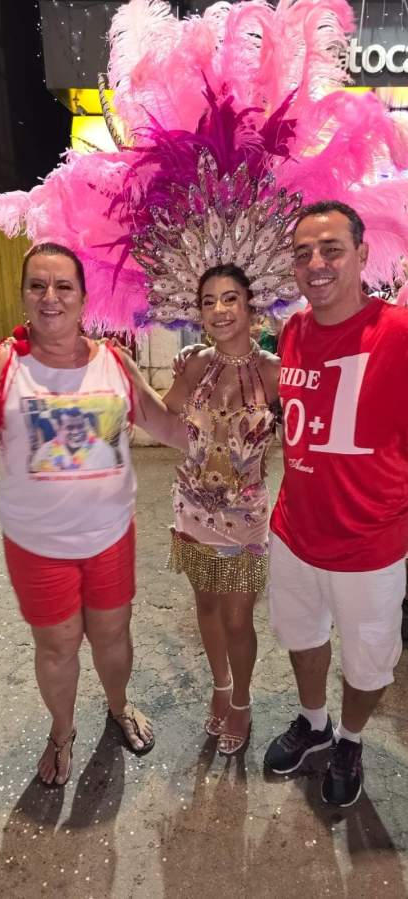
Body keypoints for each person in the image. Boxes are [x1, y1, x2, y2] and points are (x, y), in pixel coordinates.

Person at [0, 242, 187, 786]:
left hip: (109, 537)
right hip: (37, 545)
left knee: (112, 636)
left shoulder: (114, 363)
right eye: (37, 285)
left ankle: (119, 705)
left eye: (63, 286)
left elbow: (168, 427)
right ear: (24, 295)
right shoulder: (5, 366)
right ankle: (62, 732)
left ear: (83, 297)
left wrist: (212, 378)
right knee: (56, 646)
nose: (50, 297)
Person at [264, 200, 408, 807]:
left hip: (369, 544)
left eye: (331, 250)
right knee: (301, 636)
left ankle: (349, 739)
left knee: (369, 661)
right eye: (303, 254)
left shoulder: (397, 333)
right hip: (294, 531)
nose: (316, 264)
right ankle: (315, 722)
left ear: (362, 254)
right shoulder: (294, 331)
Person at [163, 262, 279, 755]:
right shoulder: (192, 364)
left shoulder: (275, 372)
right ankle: (220, 686)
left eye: (230, 298)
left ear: (251, 306)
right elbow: (163, 414)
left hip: (244, 519)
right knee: (206, 606)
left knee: (237, 619)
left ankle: (243, 700)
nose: (219, 310)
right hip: (191, 510)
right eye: (208, 301)